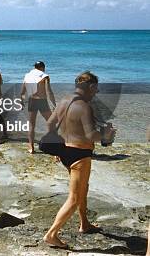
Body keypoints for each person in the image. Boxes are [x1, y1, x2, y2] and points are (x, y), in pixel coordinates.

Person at [43, 71, 116, 249]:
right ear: (90, 87)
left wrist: (57, 147)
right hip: (80, 155)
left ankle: (84, 223)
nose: (96, 92)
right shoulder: (84, 106)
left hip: (66, 151)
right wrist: (106, 135)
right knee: (74, 198)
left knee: (84, 188)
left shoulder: (64, 101)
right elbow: (91, 134)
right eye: (96, 89)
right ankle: (51, 234)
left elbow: (49, 124)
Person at [21, 61, 56, 153]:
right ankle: (52, 144)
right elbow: (49, 91)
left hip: (32, 101)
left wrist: (21, 101)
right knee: (51, 122)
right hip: (42, 101)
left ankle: (31, 147)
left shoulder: (28, 75)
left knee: (32, 125)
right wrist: (54, 104)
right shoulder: (45, 76)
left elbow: (23, 90)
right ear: (42, 67)